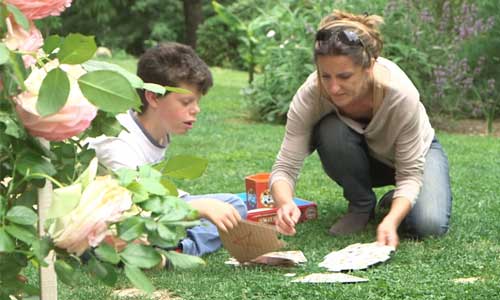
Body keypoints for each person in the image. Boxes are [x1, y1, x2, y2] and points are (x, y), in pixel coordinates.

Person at [271, 10, 452, 248]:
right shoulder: (311, 94)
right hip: (360, 158)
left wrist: (391, 220)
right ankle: (361, 206)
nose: (333, 88)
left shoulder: (400, 95)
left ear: (369, 67)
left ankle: (397, 201)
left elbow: (409, 175)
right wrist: (284, 202)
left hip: (416, 156)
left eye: (344, 76)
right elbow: (285, 166)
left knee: (428, 224)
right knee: (330, 129)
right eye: (325, 76)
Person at [87, 42, 247, 256]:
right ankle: (174, 250)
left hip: (151, 208)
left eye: (197, 101)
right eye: (186, 102)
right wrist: (198, 208)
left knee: (234, 205)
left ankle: (176, 247)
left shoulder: (159, 130)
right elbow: (137, 207)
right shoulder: (118, 141)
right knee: (128, 235)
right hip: (114, 218)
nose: (196, 110)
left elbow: (153, 191)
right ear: (153, 97)